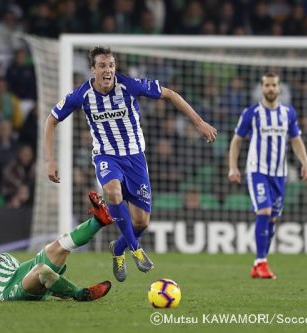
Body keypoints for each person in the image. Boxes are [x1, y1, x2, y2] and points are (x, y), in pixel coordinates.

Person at [44, 46, 217, 282]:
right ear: (92, 69)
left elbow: (170, 94)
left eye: (111, 65)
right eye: (103, 66)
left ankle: (118, 249)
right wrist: (51, 159)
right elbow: (51, 120)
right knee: (112, 192)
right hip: (106, 157)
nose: (108, 71)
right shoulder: (81, 95)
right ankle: (135, 249)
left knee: (141, 221)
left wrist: (199, 123)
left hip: (135, 158)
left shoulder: (129, 85)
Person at [228, 73, 307, 279]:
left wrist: (305, 163)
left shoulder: (288, 113)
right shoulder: (252, 113)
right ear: (262, 88)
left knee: (273, 218)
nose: (271, 89)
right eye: (267, 85)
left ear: (279, 88)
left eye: (274, 85)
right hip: (257, 170)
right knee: (264, 210)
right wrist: (233, 167)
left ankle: (259, 264)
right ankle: (261, 262)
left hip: (279, 174)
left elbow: (296, 140)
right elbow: (237, 140)